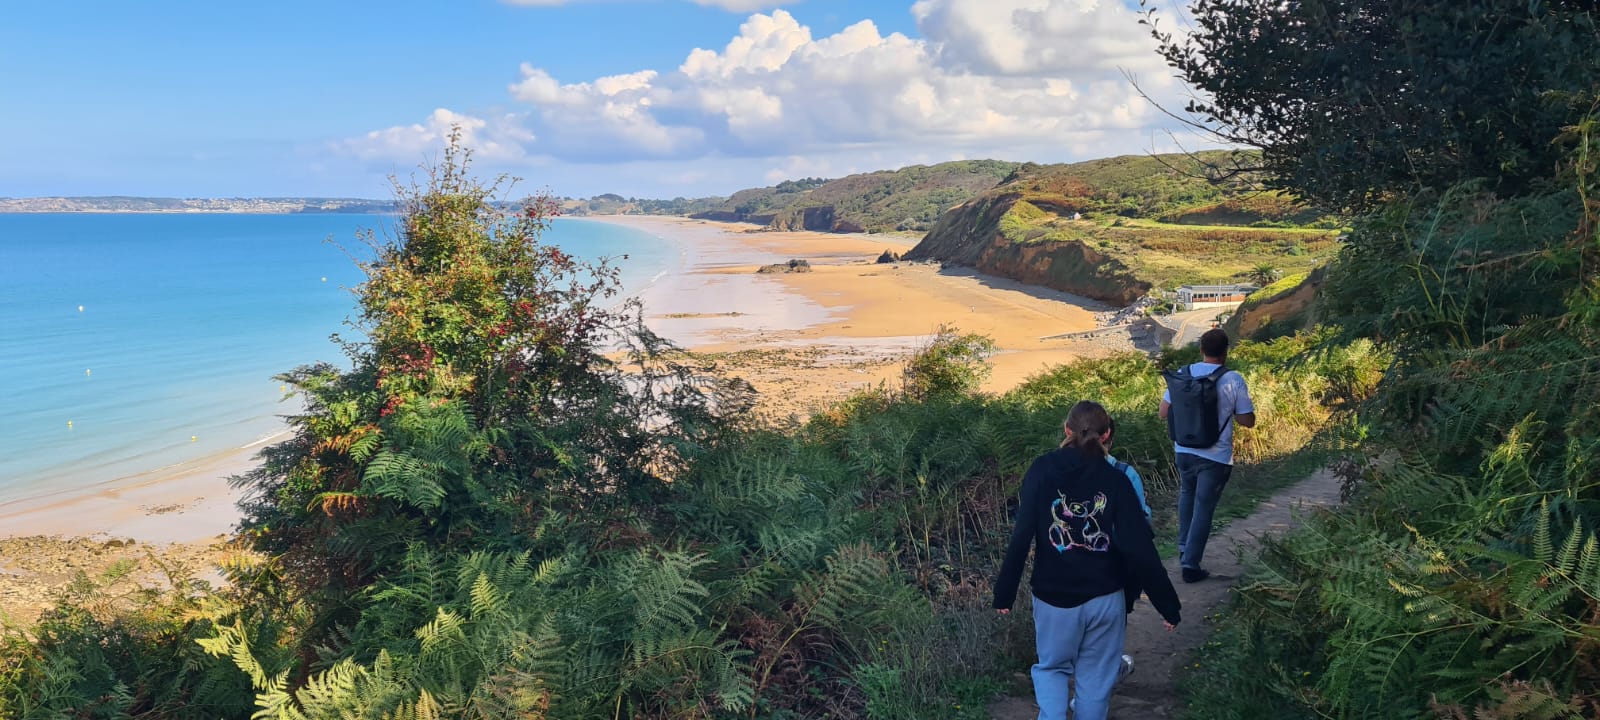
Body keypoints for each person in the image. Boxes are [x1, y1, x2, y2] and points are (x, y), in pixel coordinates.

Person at [995, 401, 1181, 720]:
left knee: (1052, 669)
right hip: (1105, 598)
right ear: (1107, 434)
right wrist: (1167, 605)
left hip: (1053, 598)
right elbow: (1140, 549)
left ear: (1067, 430)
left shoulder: (1042, 469)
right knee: (1095, 680)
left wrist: (1005, 593)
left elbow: (1022, 533)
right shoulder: (1117, 480)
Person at [1159, 328, 1256, 583]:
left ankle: (1184, 549)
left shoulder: (1183, 374)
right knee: (1204, 507)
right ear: (1226, 352)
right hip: (1215, 456)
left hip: (1183, 450)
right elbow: (1247, 421)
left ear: (1201, 349)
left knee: (1187, 497)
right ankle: (1190, 565)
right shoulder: (1233, 379)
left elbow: (1163, 412)